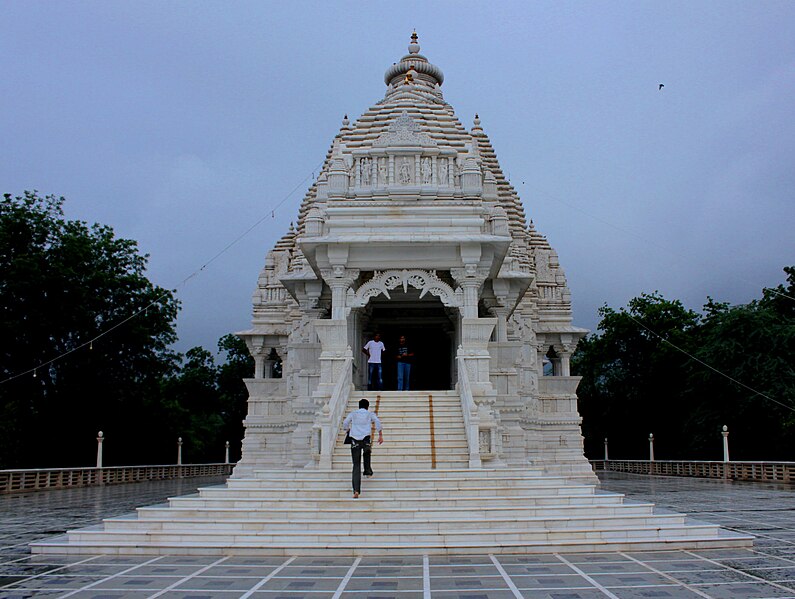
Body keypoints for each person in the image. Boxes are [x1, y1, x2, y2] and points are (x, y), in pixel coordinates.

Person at [343, 398, 383, 498]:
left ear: (359, 406)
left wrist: (347, 430)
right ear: (367, 406)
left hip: (354, 440)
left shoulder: (353, 414)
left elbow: (345, 422)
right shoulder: (370, 414)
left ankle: (356, 490)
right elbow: (377, 422)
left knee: (356, 465)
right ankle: (368, 470)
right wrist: (380, 434)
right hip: (366, 439)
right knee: (367, 453)